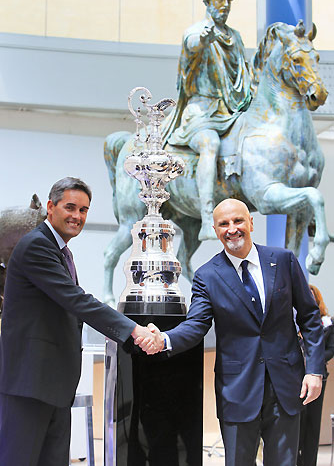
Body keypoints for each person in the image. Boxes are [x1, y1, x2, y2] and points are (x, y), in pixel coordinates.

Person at [137, 198, 325, 466]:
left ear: (250, 222)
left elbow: (309, 317)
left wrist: (314, 370)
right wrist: (165, 338)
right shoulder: (207, 275)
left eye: (238, 221)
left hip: (286, 386)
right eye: (224, 224)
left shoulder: (283, 261)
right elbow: (196, 325)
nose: (232, 228)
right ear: (215, 230)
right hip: (237, 391)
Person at [0, 177, 159, 466]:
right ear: (50, 207)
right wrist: (133, 329)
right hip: (29, 385)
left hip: (54, 385)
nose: (77, 216)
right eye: (70, 207)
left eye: (84, 210)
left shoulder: (61, 250)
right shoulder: (37, 246)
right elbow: (77, 300)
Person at [161, 0, 252, 241]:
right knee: (209, 144)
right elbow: (192, 46)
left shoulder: (234, 36)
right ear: (208, 2)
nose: (225, 6)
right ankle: (206, 216)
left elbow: (243, 72)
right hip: (200, 111)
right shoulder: (197, 32)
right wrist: (203, 40)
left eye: (228, 1)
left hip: (230, 111)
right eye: (220, 0)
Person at [297, 284, 334, 466]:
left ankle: (309, 462)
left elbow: (331, 350)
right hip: (295, 378)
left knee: (313, 423)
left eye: (311, 295)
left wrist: (313, 360)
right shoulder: (293, 322)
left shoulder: (327, 322)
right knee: (296, 422)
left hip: (318, 376)